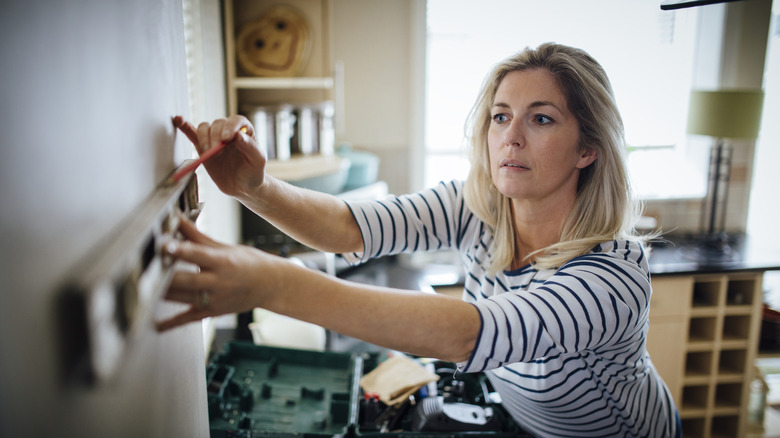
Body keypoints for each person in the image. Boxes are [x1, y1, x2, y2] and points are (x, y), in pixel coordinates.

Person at [159, 42, 680, 437]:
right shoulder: (478, 206)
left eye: (541, 119)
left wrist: (274, 285)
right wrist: (253, 188)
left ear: (587, 149)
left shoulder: (611, 277)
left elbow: (469, 335)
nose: (511, 137)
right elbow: (349, 227)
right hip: (525, 421)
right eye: (501, 116)